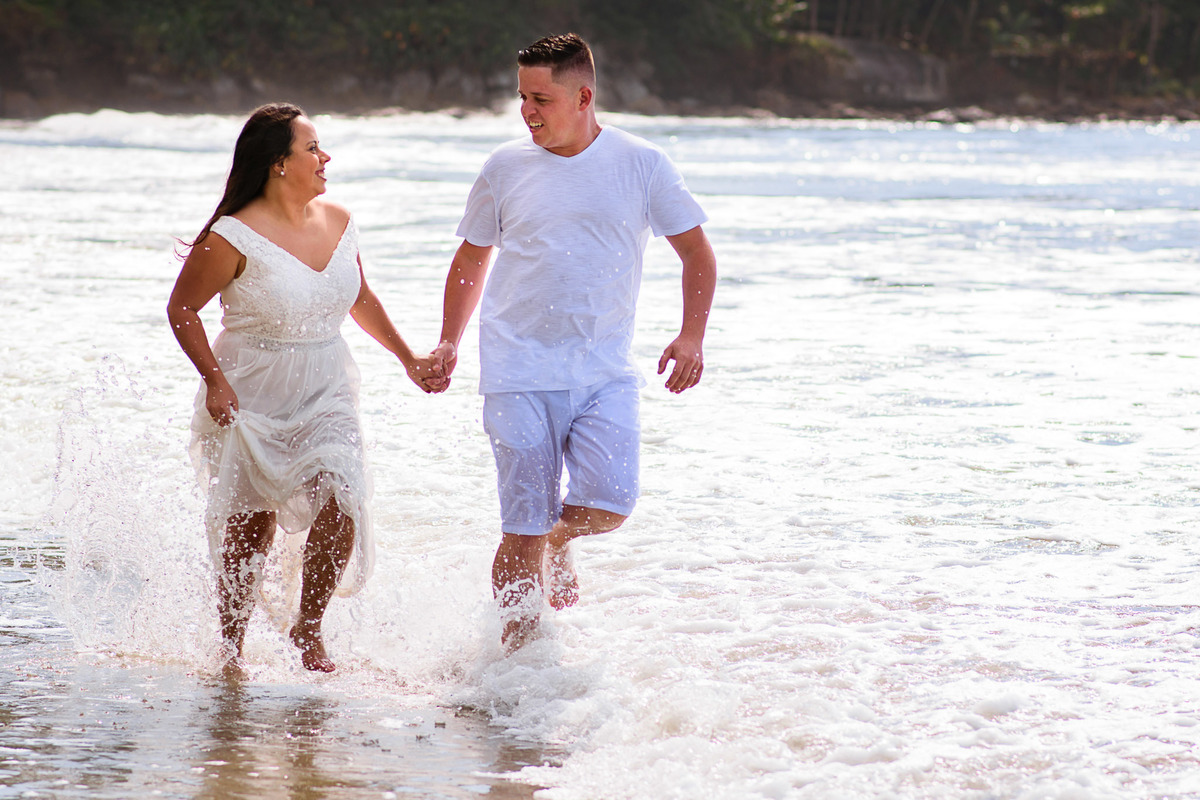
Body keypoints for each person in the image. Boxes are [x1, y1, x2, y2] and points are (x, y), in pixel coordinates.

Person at [428, 33, 717, 650]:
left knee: (612, 505)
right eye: (522, 98)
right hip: (516, 368)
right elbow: (471, 257)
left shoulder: (642, 164)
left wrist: (692, 334)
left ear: (583, 96)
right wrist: (449, 340)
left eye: (541, 99)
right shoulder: (505, 167)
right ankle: (518, 664)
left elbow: (696, 252)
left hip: (604, 369)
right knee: (523, 527)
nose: (528, 111)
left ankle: (561, 542)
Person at [167, 103, 443, 674]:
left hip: (326, 384)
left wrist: (408, 357)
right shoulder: (231, 236)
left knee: (343, 494)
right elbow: (183, 309)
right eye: (312, 149)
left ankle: (307, 631)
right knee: (251, 523)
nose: (325, 158)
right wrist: (213, 381)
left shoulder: (339, 220)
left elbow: (358, 298)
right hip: (251, 389)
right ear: (277, 164)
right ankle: (231, 645)